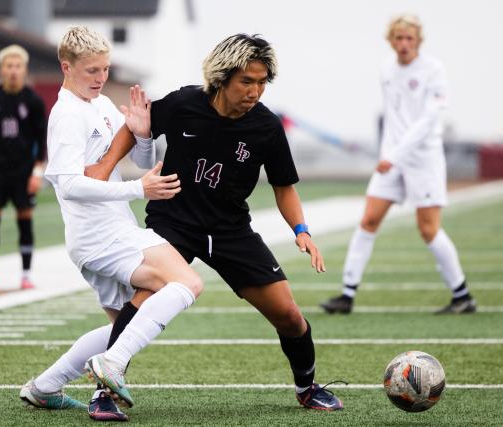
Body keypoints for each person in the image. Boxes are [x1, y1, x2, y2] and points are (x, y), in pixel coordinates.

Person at [88, 33, 343, 411]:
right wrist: (105, 167)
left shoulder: (267, 127)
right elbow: (136, 126)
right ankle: (104, 392)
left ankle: (307, 388)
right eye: (246, 81)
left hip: (230, 229)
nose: (255, 91)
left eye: (262, 82)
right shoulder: (184, 103)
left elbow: (283, 187)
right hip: (174, 221)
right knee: (147, 298)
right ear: (222, 77)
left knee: (289, 314)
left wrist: (301, 231)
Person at [18, 26, 203, 422]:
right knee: (187, 283)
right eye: (91, 71)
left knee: (125, 322)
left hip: (105, 233)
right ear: (66, 67)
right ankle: (111, 364)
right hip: (101, 235)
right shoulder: (66, 115)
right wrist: (139, 190)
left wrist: (143, 135)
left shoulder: (99, 104)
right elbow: (69, 185)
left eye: (105, 69)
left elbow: (136, 161)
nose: (101, 78)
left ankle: (45, 387)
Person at [320, 14, 476, 315]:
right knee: (368, 221)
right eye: (399, 38)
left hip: (423, 160)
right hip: (391, 160)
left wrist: (395, 154)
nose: (404, 44)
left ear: (418, 40)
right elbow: (394, 118)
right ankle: (346, 295)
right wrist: (388, 153)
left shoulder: (434, 70)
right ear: (391, 40)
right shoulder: (387, 69)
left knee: (428, 229)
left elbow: (428, 120)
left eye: (409, 38)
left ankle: (462, 295)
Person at [0, 45, 47, 291]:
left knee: (24, 220)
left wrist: (37, 172)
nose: (13, 71)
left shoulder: (33, 101)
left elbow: (41, 139)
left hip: (24, 172)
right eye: (9, 66)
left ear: (24, 70)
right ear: (1, 69)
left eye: (17, 66)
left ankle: (26, 275)